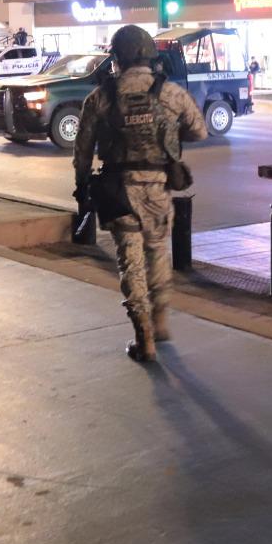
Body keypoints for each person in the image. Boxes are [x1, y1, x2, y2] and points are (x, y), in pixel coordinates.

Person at [73, 25, 207, 363]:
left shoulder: (100, 97)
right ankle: (161, 321)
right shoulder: (171, 93)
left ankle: (143, 336)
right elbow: (199, 131)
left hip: (118, 191)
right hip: (157, 189)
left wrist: (82, 186)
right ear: (150, 55)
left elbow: (83, 152)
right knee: (158, 252)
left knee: (130, 263)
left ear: (116, 58)